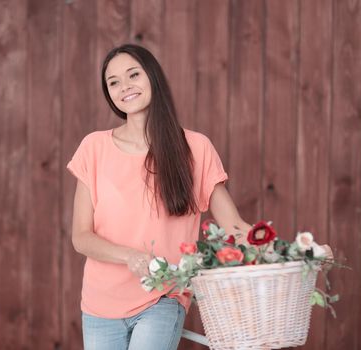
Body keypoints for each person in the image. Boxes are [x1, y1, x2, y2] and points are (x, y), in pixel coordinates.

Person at [67, 44, 253, 350]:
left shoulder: (196, 148)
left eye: (133, 75)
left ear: (153, 77)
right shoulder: (93, 148)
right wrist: (130, 257)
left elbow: (233, 225)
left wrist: (294, 253)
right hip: (100, 304)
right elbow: (81, 237)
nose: (124, 86)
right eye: (113, 82)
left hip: (162, 297)